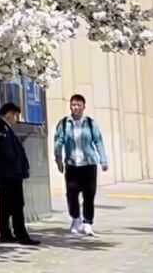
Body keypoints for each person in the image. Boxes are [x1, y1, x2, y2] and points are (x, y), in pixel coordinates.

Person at [53, 93, 109, 236]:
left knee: (89, 194)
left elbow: (98, 141)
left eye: (78, 105)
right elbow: (58, 142)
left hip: (89, 164)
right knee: (71, 194)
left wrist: (103, 160)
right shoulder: (65, 123)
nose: (75, 107)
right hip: (72, 164)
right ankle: (76, 219)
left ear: (84, 106)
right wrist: (58, 159)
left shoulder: (90, 123)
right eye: (73, 105)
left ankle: (87, 223)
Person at [0, 102, 39, 245]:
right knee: (14, 204)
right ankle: (20, 234)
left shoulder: (5, 128)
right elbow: (5, 151)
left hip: (10, 173)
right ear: (9, 113)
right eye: (16, 115)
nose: (16, 119)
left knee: (8, 204)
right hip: (8, 173)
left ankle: (7, 233)